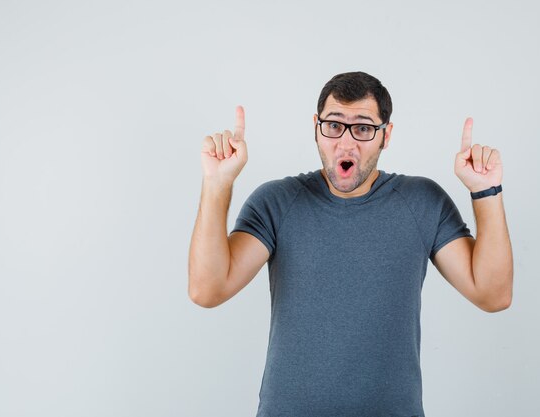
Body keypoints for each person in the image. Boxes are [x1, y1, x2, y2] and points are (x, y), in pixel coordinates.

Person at [188, 71, 513, 417]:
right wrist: (217, 183)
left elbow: (493, 294)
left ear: (385, 135)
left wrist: (485, 191)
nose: (346, 143)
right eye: (333, 125)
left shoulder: (421, 203)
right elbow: (207, 290)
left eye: (363, 128)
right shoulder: (277, 203)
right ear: (316, 127)